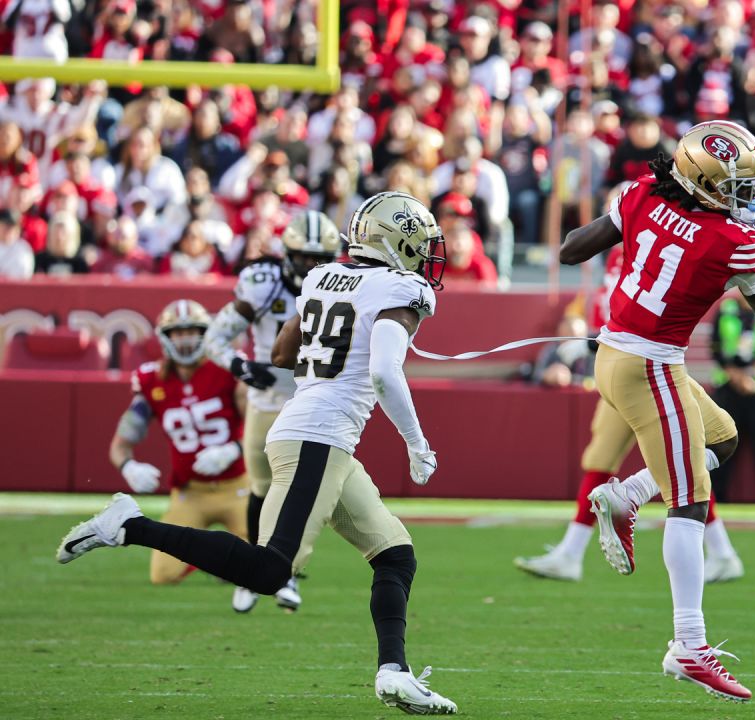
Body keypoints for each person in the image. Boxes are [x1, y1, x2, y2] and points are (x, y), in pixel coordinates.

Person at [57, 191, 458, 715]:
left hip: (311, 429)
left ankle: (394, 673)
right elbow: (384, 373)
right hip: (319, 436)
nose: (427, 254)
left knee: (394, 553)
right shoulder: (401, 288)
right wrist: (416, 442)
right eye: (422, 243)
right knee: (271, 570)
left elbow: (281, 352)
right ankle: (129, 525)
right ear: (397, 240)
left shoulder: (322, 277)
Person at [559, 120, 755, 702]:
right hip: (650, 366)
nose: (748, 196)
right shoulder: (737, 240)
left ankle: (625, 494)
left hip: (614, 352)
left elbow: (570, 248)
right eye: (739, 186)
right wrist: (741, 246)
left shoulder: (640, 193)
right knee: (691, 502)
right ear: (706, 183)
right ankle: (688, 644)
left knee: (722, 437)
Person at [515, 250, 746, 585]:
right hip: (621, 368)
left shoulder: (655, 243)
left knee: (686, 458)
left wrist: (593, 347)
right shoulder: (621, 252)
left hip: (644, 369)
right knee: (611, 457)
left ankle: (714, 560)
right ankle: (572, 552)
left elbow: (647, 318)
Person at [204, 210, 342, 613]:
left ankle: (290, 573)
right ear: (287, 254)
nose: (312, 267)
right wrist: (238, 365)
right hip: (268, 397)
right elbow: (216, 337)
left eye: (321, 259)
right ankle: (254, 569)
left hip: (317, 395)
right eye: (303, 258)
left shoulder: (347, 286)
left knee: (307, 491)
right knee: (263, 488)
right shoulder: (263, 283)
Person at [106, 300, 252, 596]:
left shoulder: (228, 369)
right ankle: (217, 557)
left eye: (193, 331)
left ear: (206, 333)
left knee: (264, 565)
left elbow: (259, 429)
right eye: (178, 332)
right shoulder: (151, 380)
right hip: (190, 492)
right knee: (163, 574)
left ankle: (227, 555)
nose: (185, 340)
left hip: (239, 486)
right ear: (165, 337)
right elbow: (121, 443)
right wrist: (128, 466)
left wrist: (233, 450)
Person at [709, 297, 755, 504]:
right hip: (729, 386)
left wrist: (753, 376)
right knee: (723, 444)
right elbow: (715, 347)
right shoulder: (725, 310)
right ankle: (717, 496)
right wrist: (736, 376)